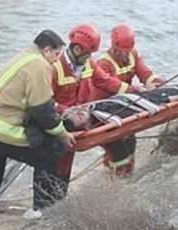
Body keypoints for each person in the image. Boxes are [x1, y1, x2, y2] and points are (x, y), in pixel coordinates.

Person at [0, 30, 75, 230]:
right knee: (49, 156)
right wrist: (63, 133)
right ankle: (43, 216)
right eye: (56, 55)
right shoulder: (39, 65)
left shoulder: (22, 57)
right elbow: (42, 110)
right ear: (47, 50)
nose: (56, 61)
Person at [50, 23, 137, 192]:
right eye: (88, 53)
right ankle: (50, 204)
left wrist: (134, 90)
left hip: (81, 118)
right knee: (57, 167)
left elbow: (105, 80)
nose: (90, 57)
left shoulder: (88, 63)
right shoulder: (55, 69)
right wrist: (66, 111)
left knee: (121, 142)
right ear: (76, 50)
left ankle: (117, 183)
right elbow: (44, 101)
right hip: (62, 123)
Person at [92, 23, 165, 175]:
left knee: (130, 143)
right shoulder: (104, 64)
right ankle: (113, 182)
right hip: (104, 115)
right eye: (121, 52)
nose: (125, 55)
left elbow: (146, 74)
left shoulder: (133, 55)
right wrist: (137, 90)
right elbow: (113, 87)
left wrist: (160, 84)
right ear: (114, 47)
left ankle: (126, 176)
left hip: (123, 111)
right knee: (117, 151)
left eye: (127, 51)